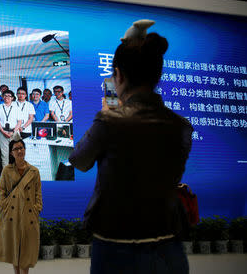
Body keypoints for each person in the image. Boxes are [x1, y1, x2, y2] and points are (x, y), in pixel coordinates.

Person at [68, 21, 193, 274]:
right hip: (169, 247)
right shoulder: (181, 126)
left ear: (119, 76)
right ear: (157, 76)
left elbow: (79, 160)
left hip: (117, 249)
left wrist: (106, 113)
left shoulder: (110, 120)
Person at [0, 139, 42, 274]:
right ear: (11, 153)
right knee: (14, 253)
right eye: (16, 149)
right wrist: (4, 208)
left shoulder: (34, 171)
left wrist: (36, 208)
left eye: (22, 148)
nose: (20, 151)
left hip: (28, 216)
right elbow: (1, 192)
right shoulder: (6, 170)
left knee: (26, 256)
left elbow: (38, 193)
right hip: (11, 215)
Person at [0, 90, 22, 169]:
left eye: (9, 96)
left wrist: (13, 131)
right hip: (3, 132)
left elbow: (19, 121)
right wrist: (3, 131)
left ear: (12, 98)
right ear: (2, 97)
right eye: (5, 96)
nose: (7, 98)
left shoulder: (16, 108)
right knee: (4, 154)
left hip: (15, 132)